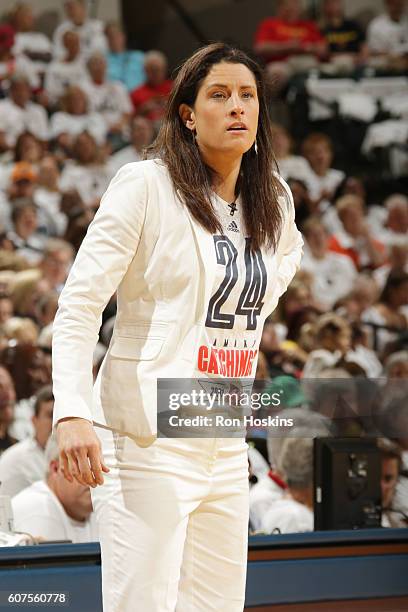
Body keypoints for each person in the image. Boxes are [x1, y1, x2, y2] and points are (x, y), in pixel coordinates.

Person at [52, 42, 303, 611]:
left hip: (221, 434)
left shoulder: (274, 199)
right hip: (145, 440)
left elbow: (280, 269)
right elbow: (79, 305)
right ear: (188, 115)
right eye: (219, 95)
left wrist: (235, 316)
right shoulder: (145, 185)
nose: (237, 106)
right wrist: (71, 412)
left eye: (247, 95)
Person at [12, 433, 98, 542]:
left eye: (98, 464)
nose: (94, 476)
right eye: (83, 464)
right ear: (56, 468)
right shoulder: (34, 511)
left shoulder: (101, 509)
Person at [0, 385, 53, 497]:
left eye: (61, 417)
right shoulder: (15, 460)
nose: (56, 423)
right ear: (34, 420)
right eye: (51, 415)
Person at [130, 50, 173, 124]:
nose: (155, 74)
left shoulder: (173, 88)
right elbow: (131, 120)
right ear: (145, 71)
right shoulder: (136, 94)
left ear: (164, 70)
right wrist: (142, 111)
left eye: (158, 70)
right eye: (152, 70)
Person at [105, 22, 145, 92]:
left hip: (140, 97)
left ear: (124, 36)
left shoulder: (139, 56)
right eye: (110, 36)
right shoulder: (103, 60)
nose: (114, 39)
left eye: (117, 35)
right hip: (116, 98)